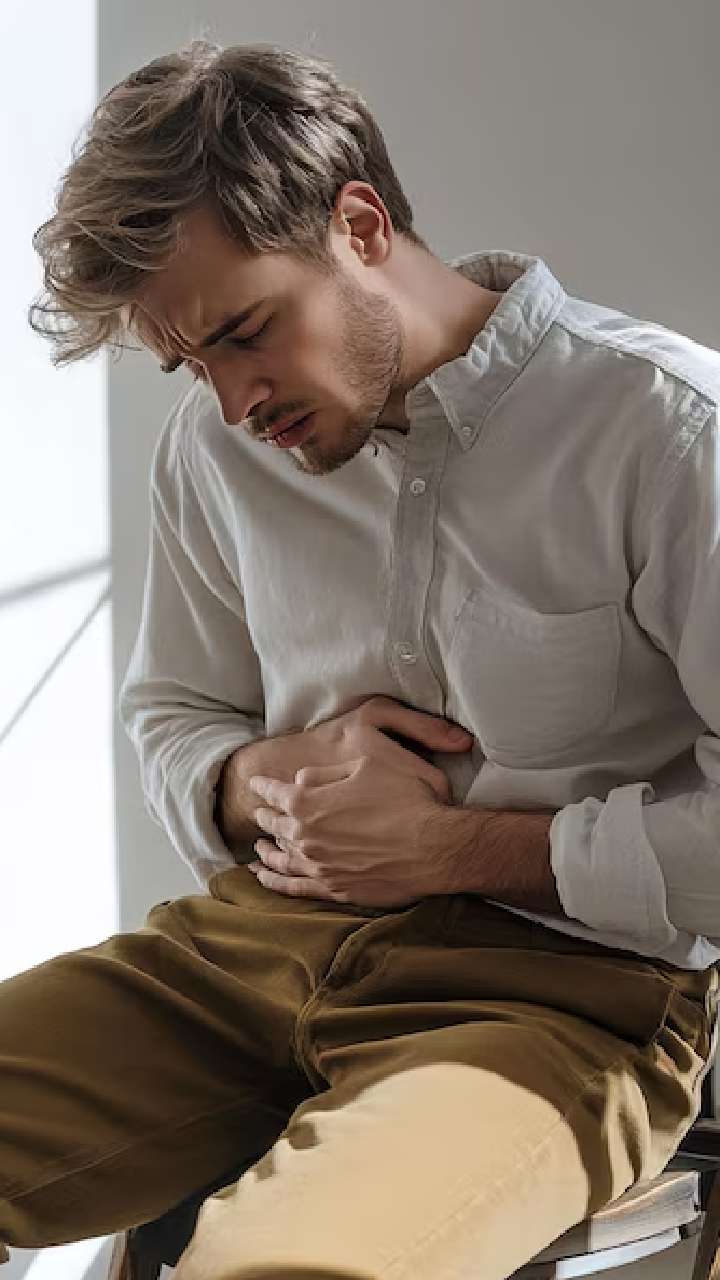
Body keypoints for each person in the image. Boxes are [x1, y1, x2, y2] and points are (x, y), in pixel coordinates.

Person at [3, 35, 718, 1280]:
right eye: (191, 364)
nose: (234, 403)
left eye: (246, 332)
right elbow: (175, 707)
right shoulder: (214, 453)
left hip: (554, 1005)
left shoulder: (666, 432)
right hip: (239, 955)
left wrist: (461, 848)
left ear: (361, 225)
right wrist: (257, 781)